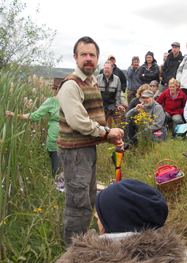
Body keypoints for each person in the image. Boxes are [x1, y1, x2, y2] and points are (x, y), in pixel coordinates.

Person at [56, 36, 124, 245]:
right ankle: (73, 251)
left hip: (86, 150)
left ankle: (84, 242)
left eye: (92, 55)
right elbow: (79, 123)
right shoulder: (70, 86)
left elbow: (91, 120)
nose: (88, 59)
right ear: (75, 57)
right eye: (83, 54)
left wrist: (108, 137)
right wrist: (106, 133)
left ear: (97, 59)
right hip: (74, 153)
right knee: (78, 204)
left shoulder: (91, 82)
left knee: (88, 199)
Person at [57, 179, 187, 262]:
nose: (95, 215)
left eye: (101, 213)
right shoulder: (182, 256)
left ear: (116, 221)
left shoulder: (74, 258)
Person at [6, 77, 63, 178]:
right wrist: (16, 116)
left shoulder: (74, 101)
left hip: (72, 143)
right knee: (58, 173)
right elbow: (35, 116)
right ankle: (58, 192)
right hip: (55, 142)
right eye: (56, 88)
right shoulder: (50, 102)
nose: (57, 90)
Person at [96, 61, 125, 128]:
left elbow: (117, 94)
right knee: (99, 125)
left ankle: (123, 135)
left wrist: (118, 105)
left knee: (122, 119)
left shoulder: (117, 79)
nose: (106, 70)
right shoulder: (97, 78)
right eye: (105, 68)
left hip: (113, 104)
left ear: (111, 69)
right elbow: (94, 93)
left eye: (108, 68)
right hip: (101, 105)